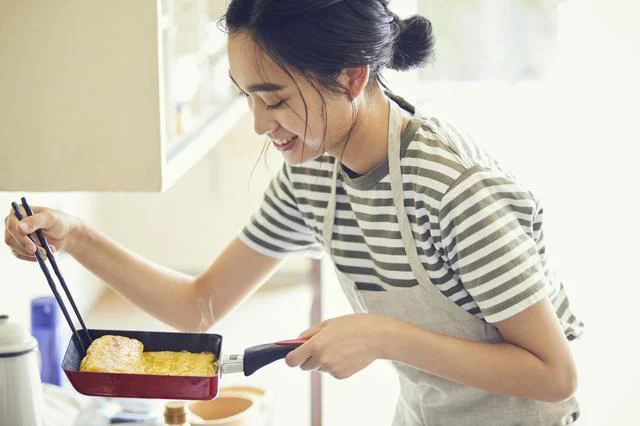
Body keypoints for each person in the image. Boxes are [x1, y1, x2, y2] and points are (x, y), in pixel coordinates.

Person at [4, 0, 583, 424]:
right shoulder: (313, 173)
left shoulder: (451, 190)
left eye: (275, 98)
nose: (260, 124)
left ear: (351, 76)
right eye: (248, 97)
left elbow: (553, 376)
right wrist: (76, 237)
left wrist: (382, 336)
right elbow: (199, 306)